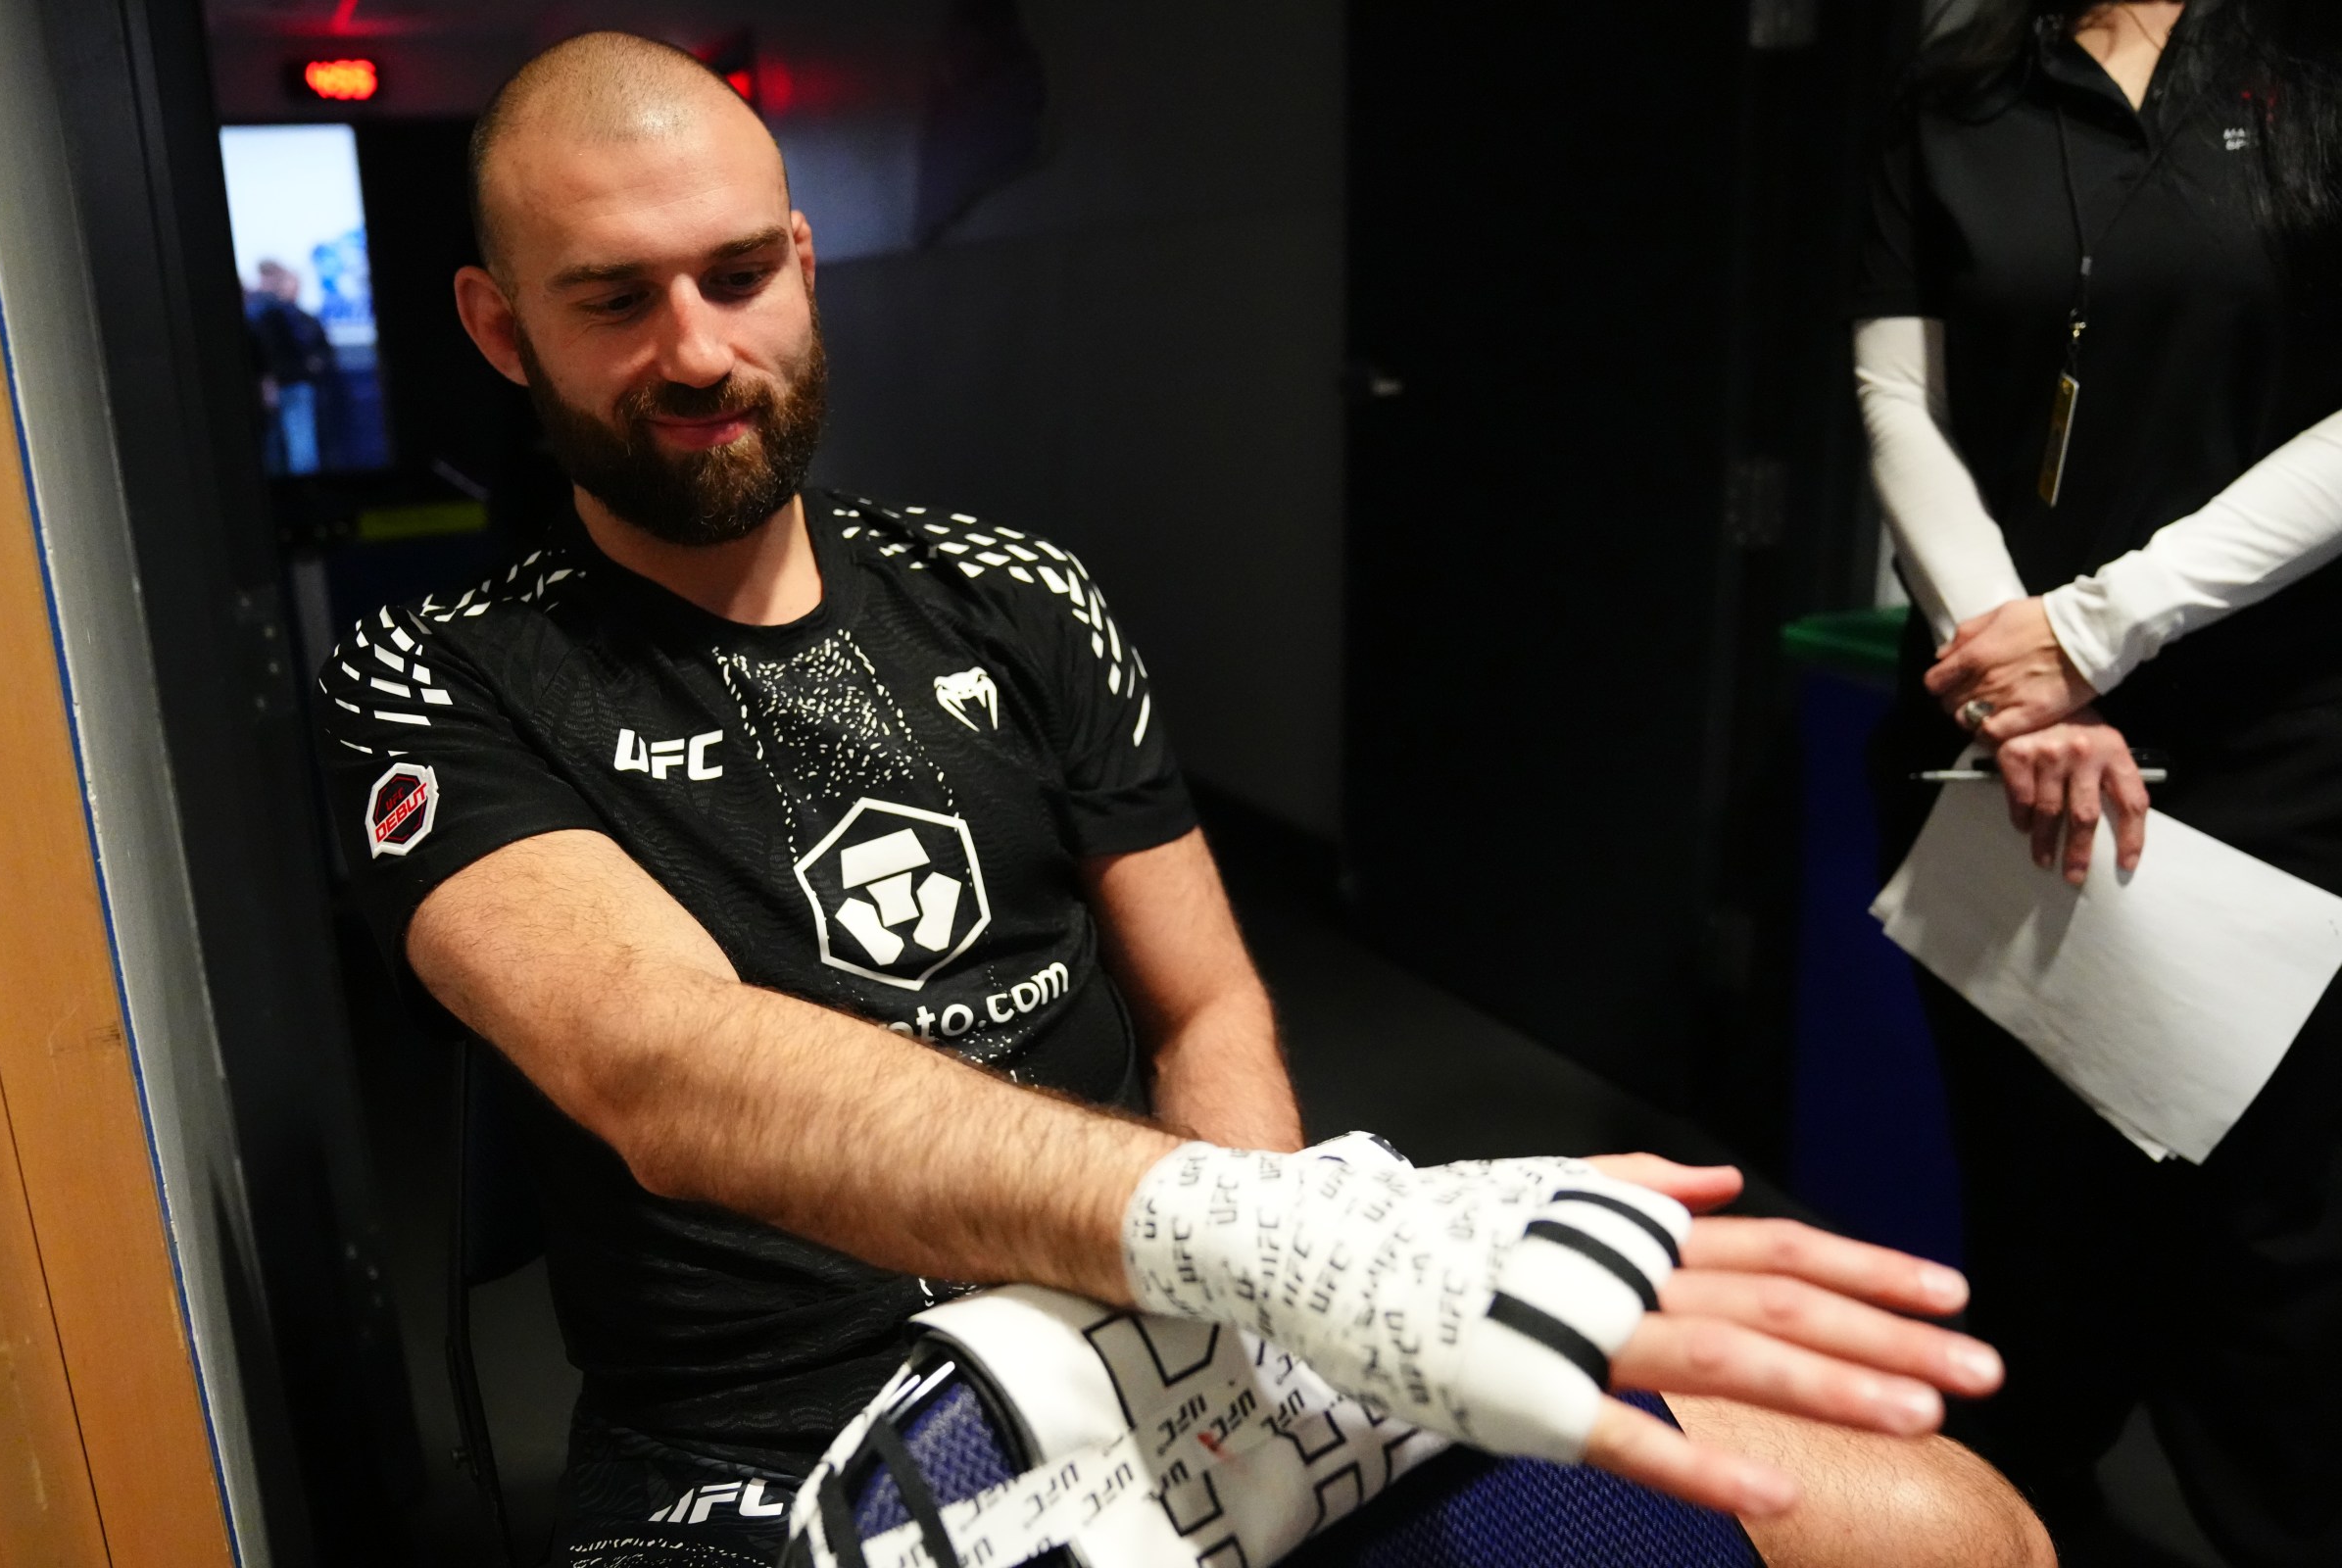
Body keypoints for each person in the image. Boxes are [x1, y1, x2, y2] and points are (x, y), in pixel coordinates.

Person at [319, 32, 2046, 1568]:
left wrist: (1280, 1316)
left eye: (738, 272)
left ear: (805, 263)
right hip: (772, 1445)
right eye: (614, 298)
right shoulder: (440, 671)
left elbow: (1205, 995)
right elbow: (656, 1063)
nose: (699, 353)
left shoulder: (1012, 593)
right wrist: (1293, 1242)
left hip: (1157, 1340)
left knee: (1958, 1526)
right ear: (500, 324)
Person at [1854, 2, 2342, 1562]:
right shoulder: (1952, 90)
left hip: (2279, 757)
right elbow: (1896, 400)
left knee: (2278, 1271)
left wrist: (2090, 631)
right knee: (2039, 1236)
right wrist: (2017, 688)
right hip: (2000, 754)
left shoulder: (2321, 63)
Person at [247, 259, 334, 474]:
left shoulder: (296, 316)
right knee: (279, 445)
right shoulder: (265, 312)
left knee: (300, 445)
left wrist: (311, 367)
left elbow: (318, 350)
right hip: (274, 386)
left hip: (294, 384)